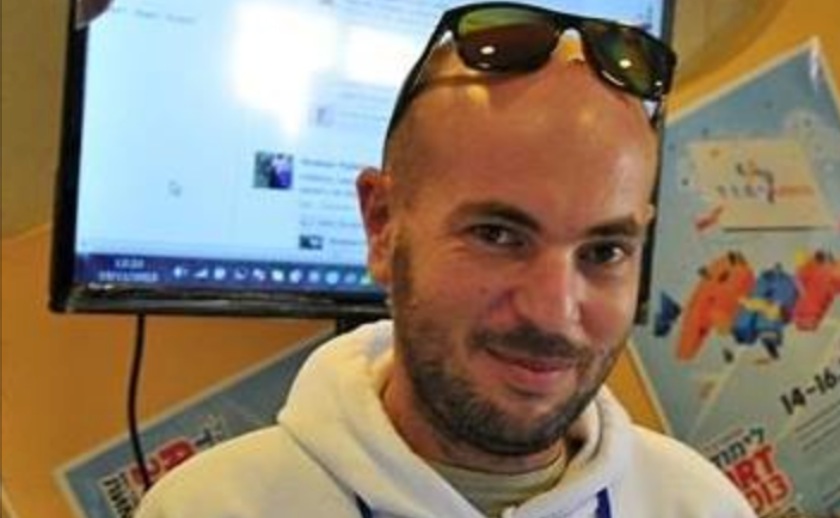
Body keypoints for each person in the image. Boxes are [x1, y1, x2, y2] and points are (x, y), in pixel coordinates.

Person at [135, 3, 758, 517]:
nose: (553, 312)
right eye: (498, 235)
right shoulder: (206, 508)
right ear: (382, 225)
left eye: (604, 251)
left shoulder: (700, 505)